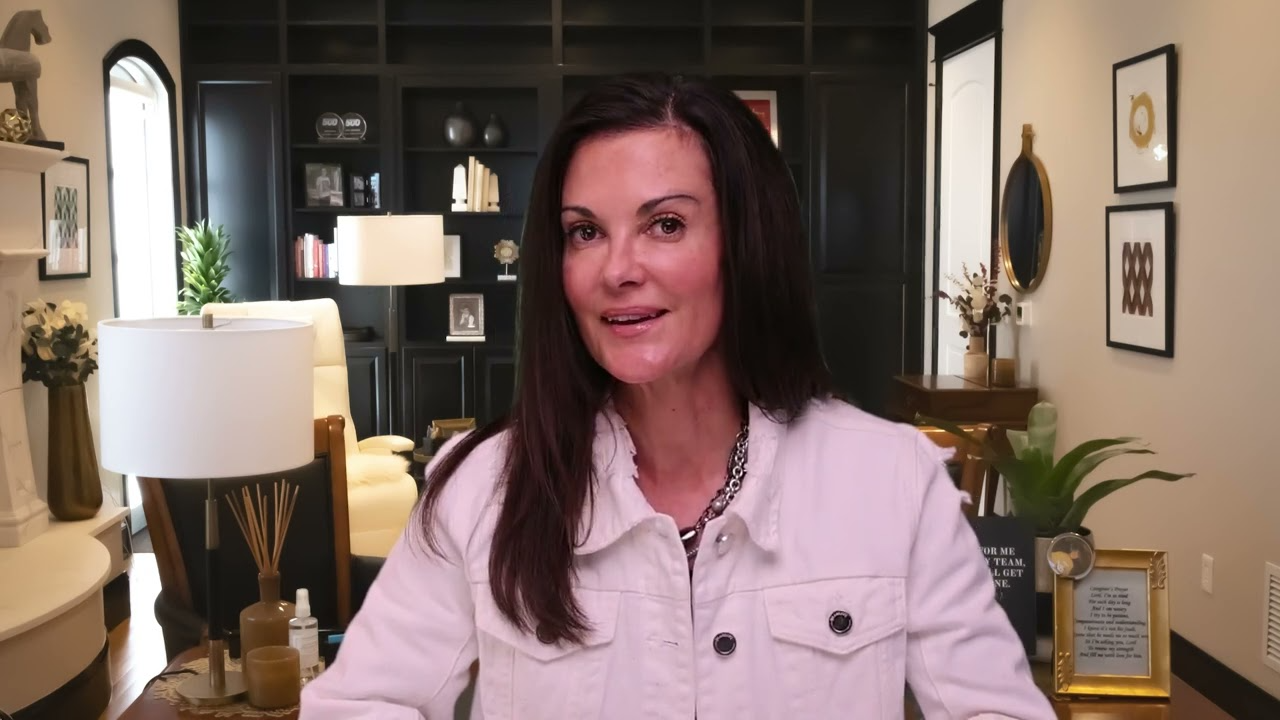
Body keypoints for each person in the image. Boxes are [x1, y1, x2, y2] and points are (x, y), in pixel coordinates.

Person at [300, 72, 1053, 719]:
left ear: (744, 245)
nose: (616, 269)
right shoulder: (484, 486)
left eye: (665, 224)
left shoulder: (891, 482)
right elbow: (359, 702)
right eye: (585, 232)